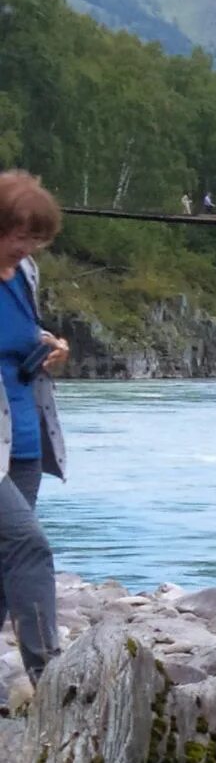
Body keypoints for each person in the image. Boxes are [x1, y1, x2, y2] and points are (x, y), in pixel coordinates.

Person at [0, 171, 72, 700]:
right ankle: (54, 683)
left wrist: (53, 349)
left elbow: (25, 340)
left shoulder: (24, 274)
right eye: (18, 235)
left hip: (22, 441)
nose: (26, 247)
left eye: (35, 239)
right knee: (29, 547)